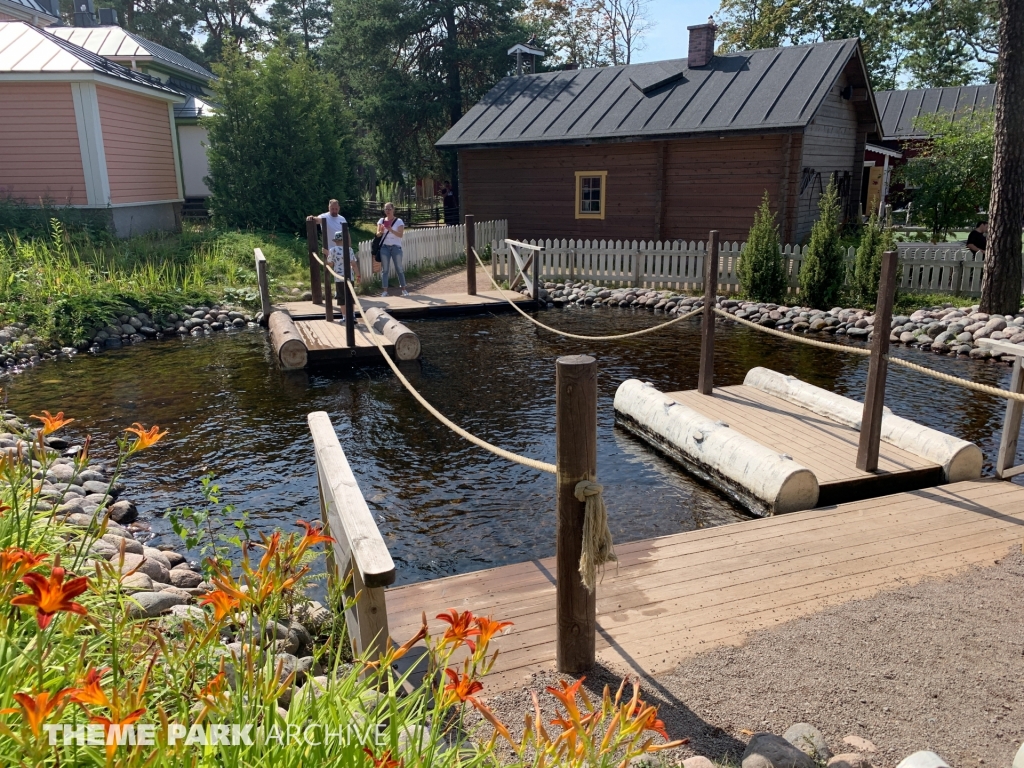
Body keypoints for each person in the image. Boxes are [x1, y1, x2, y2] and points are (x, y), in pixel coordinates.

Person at [377, 202, 408, 297]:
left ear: (393, 210)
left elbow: (400, 235)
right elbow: (377, 234)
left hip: (396, 247)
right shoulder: (381, 221)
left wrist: (391, 230)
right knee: (385, 269)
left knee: (399, 268)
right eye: (386, 209)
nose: (388, 211)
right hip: (384, 247)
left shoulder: (399, 221)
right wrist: (381, 232)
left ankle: (403, 289)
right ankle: (385, 291)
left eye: (389, 209)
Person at [328, 229, 360, 308]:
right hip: (350, 276)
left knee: (341, 298)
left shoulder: (332, 250)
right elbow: (354, 264)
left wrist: (327, 255)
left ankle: (344, 316)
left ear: (335, 241)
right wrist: (358, 275)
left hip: (339, 277)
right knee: (350, 296)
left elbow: (330, 264)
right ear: (344, 240)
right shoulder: (349, 249)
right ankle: (352, 315)